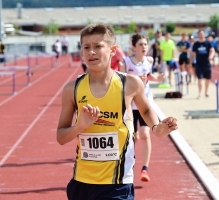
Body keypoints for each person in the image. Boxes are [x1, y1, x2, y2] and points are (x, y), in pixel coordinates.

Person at [57, 23, 178, 200]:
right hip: (82, 183)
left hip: (117, 183)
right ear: (81, 52)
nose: (92, 52)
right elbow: (61, 137)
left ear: (113, 50)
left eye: (98, 46)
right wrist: (80, 126)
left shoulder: (130, 84)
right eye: (86, 47)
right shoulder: (72, 89)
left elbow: (145, 109)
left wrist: (157, 128)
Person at [120, 33, 164, 182]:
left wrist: (157, 78)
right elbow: (121, 80)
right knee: (133, 138)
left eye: (145, 44)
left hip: (145, 104)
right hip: (130, 105)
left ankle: (145, 169)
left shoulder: (149, 60)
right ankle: (126, 164)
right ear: (134, 47)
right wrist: (136, 81)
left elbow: (149, 75)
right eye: (141, 45)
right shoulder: (126, 62)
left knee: (146, 135)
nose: (144, 47)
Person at [190, 29, 215, 99]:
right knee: (200, 79)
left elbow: (212, 51)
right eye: (199, 34)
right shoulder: (196, 44)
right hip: (199, 64)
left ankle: (206, 92)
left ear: (204, 35)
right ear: (198, 35)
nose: (201, 35)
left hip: (207, 64)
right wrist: (190, 62)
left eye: (202, 34)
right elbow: (193, 54)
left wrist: (211, 56)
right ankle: (200, 94)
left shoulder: (208, 43)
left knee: (208, 79)